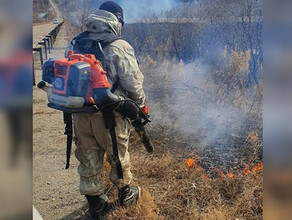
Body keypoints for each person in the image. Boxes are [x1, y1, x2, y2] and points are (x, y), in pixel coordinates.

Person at [65, 1, 149, 219]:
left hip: (80, 115)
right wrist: (140, 107)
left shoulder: (76, 41)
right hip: (110, 118)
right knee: (119, 159)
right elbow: (133, 85)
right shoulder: (119, 45)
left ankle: (96, 205)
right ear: (117, 21)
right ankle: (126, 197)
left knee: (88, 160)